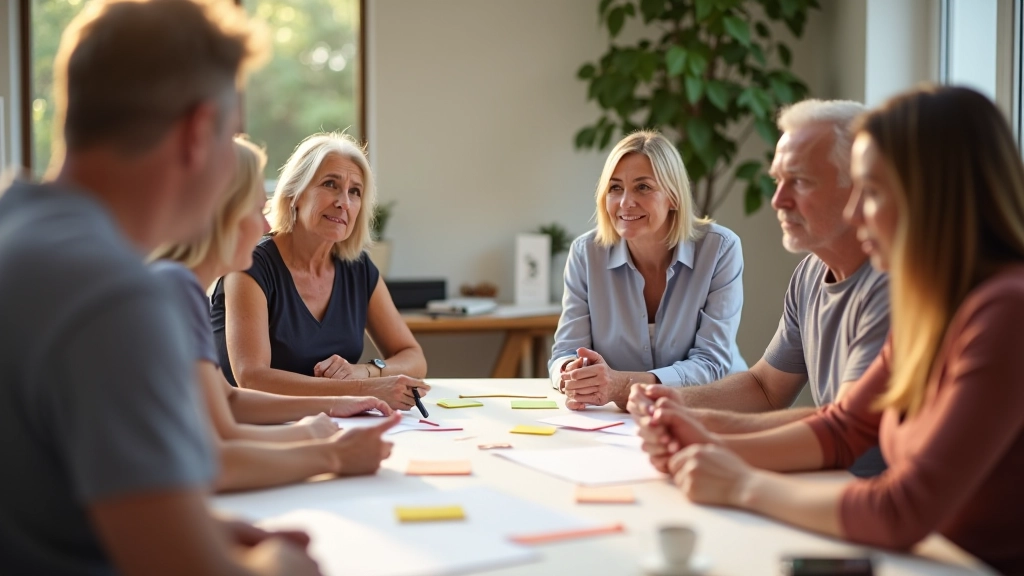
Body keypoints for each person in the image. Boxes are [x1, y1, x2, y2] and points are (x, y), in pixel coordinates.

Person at [630, 86, 1024, 574]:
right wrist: (703, 441)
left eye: (873, 192)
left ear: (936, 198)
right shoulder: (937, 304)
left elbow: (901, 510)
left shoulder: (1007, 311)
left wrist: (740, 483)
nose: (858, 215)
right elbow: (845, 428)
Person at [0, 0, 320, 574]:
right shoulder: (114, 295)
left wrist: (200, 524)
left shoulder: (16, 232)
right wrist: (285, 562)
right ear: (199, 133)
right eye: (231, 139)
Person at [631, 100, 889, 477]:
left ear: (859, 185)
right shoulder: (810, 274)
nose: (777, 200)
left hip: (864, 501)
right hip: (828, 486)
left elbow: (844, 427)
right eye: (777, 180)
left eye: (799, 181)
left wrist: (705, 435)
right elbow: (765, 388)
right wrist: (675, 402)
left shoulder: (892, 283)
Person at [151, 136, 398, 492]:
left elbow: (229, 402)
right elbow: (215, 459)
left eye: (355, 192)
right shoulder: (170, 291)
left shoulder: (179, 289)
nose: (266, 227)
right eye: (256, 210)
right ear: (219, 213)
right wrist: (332, 455)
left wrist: (335, 404)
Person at [212, 132, 429, 411]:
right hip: (248, 430)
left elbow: (414, 357)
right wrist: (361, 390)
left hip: (331, 424)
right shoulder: (250, 264)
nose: (344, 203)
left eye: (355, 192)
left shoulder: (357, 268)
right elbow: (252, 379)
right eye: (330, 184)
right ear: (295, 194)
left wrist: (363, 371)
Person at [549, 130, 746, 411]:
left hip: (711, 409)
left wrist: (623, 385)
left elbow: (712, 363)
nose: (626, 202)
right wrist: (571, 373)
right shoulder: (586, 253)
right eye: (615, 188)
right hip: (623, 418)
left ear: (674, 197)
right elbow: (565, 351)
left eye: (643, 187)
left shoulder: (720, 248)